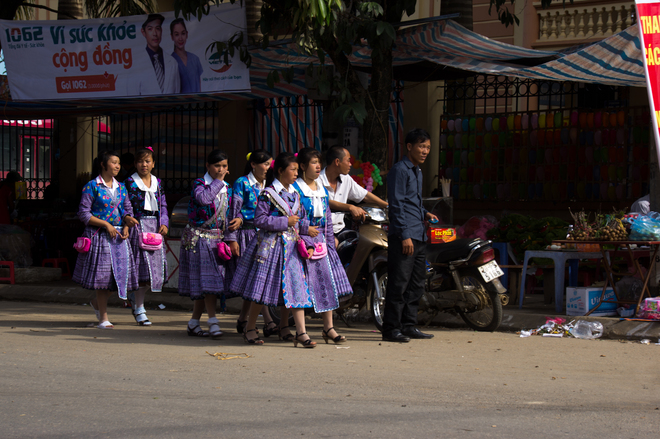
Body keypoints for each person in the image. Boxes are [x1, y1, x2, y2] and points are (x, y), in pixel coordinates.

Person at [230, 152, 316, 347]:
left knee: (296, 288)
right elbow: (259, 220)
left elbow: (300, 219)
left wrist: (307, 236)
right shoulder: (268, 194)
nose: (296, 173)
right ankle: (250, 327)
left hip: (292, 247)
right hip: (270, 247)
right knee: (261, 290)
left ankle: (300, 332)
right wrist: (285, 221)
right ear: (280, 171)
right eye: (292, 169)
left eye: (296, 169)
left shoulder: (295, 194)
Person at [382, 129, 438, 343]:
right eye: (421, 146)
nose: (425, 151)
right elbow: (396, 204)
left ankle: (409, 325)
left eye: (428, 148)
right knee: (399, 283)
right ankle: (391, 329)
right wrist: (405, 235)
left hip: (420, 234)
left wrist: (425, 213)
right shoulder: (400, 170)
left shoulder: (418, 171)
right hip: (404, 236)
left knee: (417, 283)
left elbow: (413, 201)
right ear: (409, 147)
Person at [72, 151, 139, 329]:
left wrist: (127, 223)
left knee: (120, 279)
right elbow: (84, 214)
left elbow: (127, 210)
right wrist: (105, 224)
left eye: (118, 164)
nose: (117, 166)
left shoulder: (122, 187)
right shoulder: (92, 186)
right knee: (103, 280)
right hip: (100, 238)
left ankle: (96, 303)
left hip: (119, 239)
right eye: (113, 163)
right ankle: (103, 318)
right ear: (103, 164)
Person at [293, 148, 351, 343]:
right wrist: (304, 230)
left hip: (320, 244)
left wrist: (329, 244)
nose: (318, 166)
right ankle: (301, 332)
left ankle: (329, 328)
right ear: (302, 166)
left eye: (319, 162)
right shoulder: (296, 190)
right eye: (313, 162)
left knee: (326, 283)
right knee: (299, 287)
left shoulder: (322, 189)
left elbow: (326, 218)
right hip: (299, 243)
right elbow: (290, 218)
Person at [178, 150, 237, 338]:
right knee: (209, 282)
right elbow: (203, 199)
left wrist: (239, 222)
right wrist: (218, 181)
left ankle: (194, 322)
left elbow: (233, 212)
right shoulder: (199, 184)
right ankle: (213, 322)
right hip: (199, 239)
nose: (221, 170)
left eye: (224, 166)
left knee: (209, 283)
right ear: (208, 166)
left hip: (217, 241)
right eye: (217, 166)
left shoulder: (228, 188)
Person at [225, 150, 280, 338]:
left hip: (264, 237)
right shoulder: (242, 183)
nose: (268, 168)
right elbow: (234, 211)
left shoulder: (271, 185)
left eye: (269, 164)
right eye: (264, 164)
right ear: (253, 165)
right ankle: (267, 321)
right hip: (246, 235)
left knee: (256, 280)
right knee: (255, 280)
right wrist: (232, 238)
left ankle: (243, 320)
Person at [124, 147, 169, 326]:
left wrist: (164, 222)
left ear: (153, 164)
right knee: (141, 271)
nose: (144, 164)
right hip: (137, 228)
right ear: (135, 164)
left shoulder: (158, 183)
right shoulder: (129, 183)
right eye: (141, 161)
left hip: (155, 230)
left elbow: (163, 205)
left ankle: (136, 300)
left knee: (153, 273)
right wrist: (128, 218)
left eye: (148, 161)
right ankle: (140, 308)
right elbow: (125, 203)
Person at [319, 146, 388, 235]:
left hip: (340, 230)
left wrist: (386, 206)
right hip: (320, 231)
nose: (350, 164)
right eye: (348, 160)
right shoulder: (317, 180)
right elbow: (324, 202)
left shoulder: (346, 179)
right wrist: (350, 207)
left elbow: (365, 195)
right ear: (337, 162)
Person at [129, 14, 180, 95]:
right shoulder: (136, 65)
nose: (155, 33)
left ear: (161, 31)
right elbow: (132, 99)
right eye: (150, 29)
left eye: (157, 28)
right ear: (143, 32)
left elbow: (177, 94)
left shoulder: (172, 62)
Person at [170, 18, 203, 94]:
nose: (180, 38)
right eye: (176, 34)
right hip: (179, 105)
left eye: (183, 33)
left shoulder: (195, 59)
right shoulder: (170, 61)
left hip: (197, 105)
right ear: (172, 37)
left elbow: (199, 87)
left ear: (187, 34)